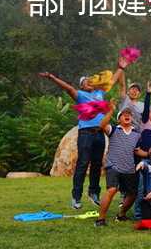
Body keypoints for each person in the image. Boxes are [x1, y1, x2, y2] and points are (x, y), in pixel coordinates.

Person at [38, 59, 126, 208]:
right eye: (85, 81)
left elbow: (112, 80)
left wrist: (120, 68)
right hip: (85, 133)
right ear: (82, 86)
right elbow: (67, 88)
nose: (89, 82)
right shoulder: (79, 95)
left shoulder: (100, 92)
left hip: (99, 133)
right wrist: (52, 78)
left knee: (97, 165)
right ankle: (76, 197)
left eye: (90, 81)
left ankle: (93, 193)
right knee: (83, 163)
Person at [95, 103, 140, 226]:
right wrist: (110, 111)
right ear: (119, 118)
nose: (127, 115)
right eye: (124, 114)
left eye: (129, 114)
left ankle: (121, 215)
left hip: (129, 168)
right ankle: (100, 219)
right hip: (113, 165)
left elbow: (139, 150)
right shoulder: (114, 129)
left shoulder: (137, 133)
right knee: (112, 189)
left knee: (132, 194)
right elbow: (102, 125)